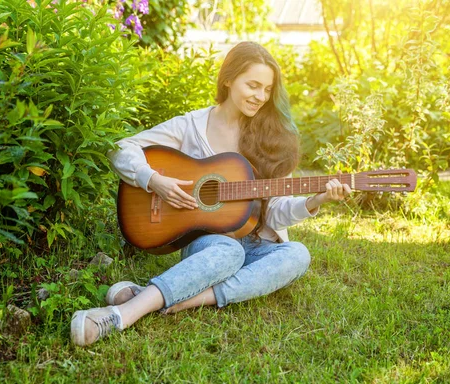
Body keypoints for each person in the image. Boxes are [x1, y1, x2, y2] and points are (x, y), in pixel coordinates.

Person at [70, 42, 351, 347]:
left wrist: (317, 200)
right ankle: (121, 314)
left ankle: (181, 298)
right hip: (209, 245)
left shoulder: (273, 137)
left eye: (267, 89)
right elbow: (121, 148)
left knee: (298, 254)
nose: (260, 96)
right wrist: (154, 181)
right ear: (228, 79)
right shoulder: (190, 126)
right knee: (230, 252)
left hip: (256, 244)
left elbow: (276, 211)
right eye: (253, 85)